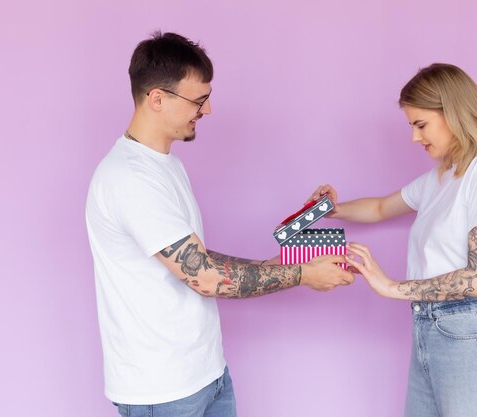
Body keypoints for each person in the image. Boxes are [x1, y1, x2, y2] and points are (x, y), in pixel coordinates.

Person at [85, 31, 353, 417]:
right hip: (164, 389)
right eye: (199, 100)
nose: (207, 110)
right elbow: (205, 277)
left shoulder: (165, 165)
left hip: (204, 373)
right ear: (157, 98)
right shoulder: (131, 178)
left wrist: (272, 267)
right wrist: (302, 275)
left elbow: (195, 258)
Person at [308, 63, 477, 417]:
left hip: (467, 331)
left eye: (420, 124)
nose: (414, 138)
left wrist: (392, 286)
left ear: (453, 113)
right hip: (429, 327)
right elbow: (379, 208)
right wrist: (329, 209)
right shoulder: (444, 175)